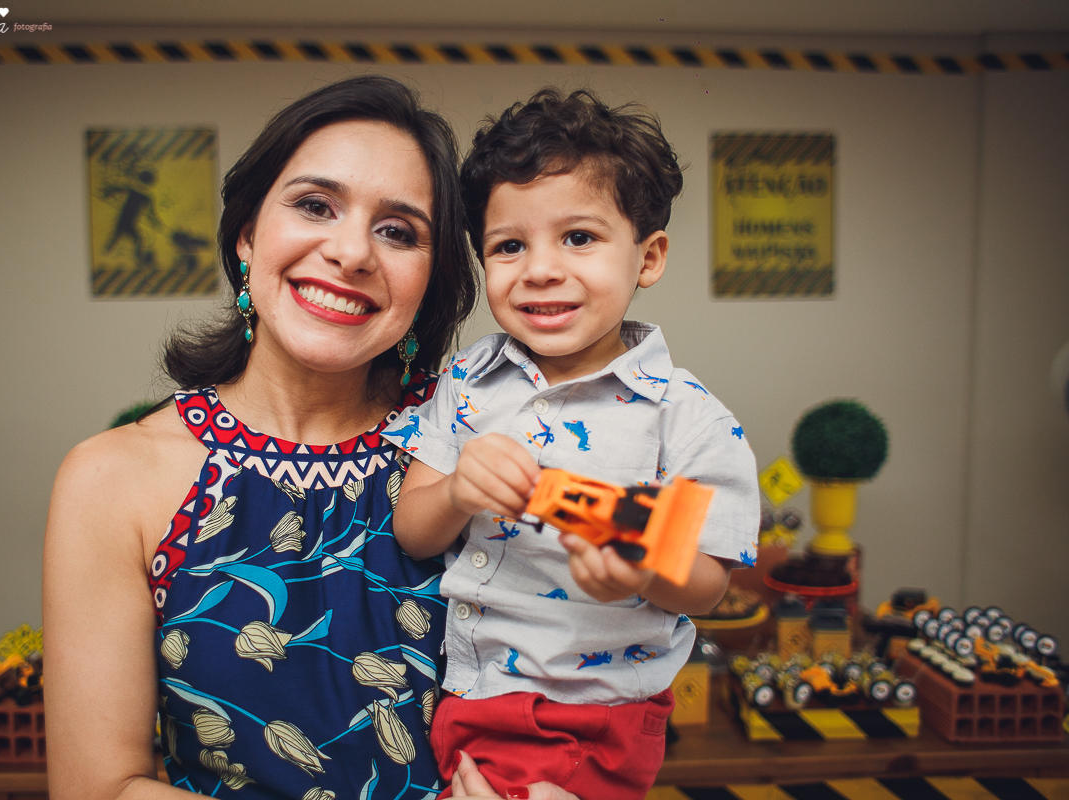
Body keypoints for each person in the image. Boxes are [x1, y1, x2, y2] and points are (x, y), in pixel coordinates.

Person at [44, 75, 576, 800]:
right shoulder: (111, 480)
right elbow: (99, 788)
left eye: (398, 231)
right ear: (246, 235)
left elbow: (592, 667)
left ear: (432, 279)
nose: (352, 252)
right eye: (314, 206)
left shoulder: (484, 442)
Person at [382, 88, 760, 799]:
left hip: (600, 717)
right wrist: (460, 488)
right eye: (509, 246)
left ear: (647, 258)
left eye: (579, 238)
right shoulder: (466, 383)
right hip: (469, 696)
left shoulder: (685, 419)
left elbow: (709, 588)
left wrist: (643, 570)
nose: (541, 268)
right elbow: (413, 532)